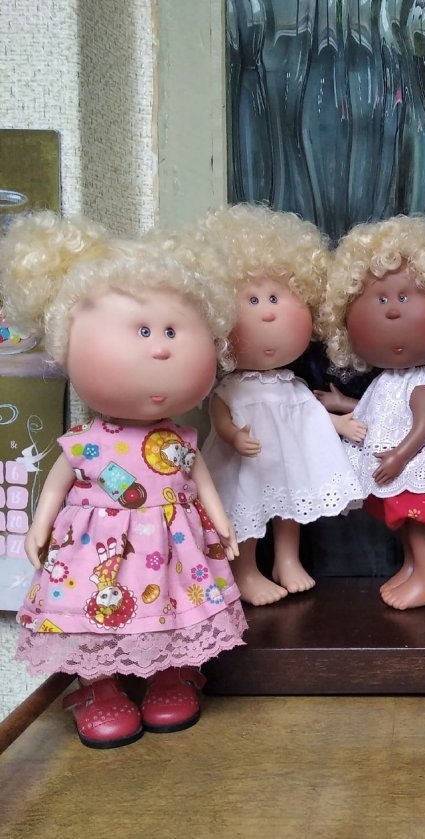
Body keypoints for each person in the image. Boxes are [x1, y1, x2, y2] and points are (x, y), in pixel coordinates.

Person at [0, 212, 247, 748]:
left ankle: (173, 671)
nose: (160, 348)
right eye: (143, 331)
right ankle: (97, 686)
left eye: (172, 331)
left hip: (174, 546)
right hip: (96, 549)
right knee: (90, 609)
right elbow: (57, 483)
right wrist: (39, 526)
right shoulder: (84, 440)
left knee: (176, 603)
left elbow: (200, 479)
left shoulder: (181, 437)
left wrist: (221, 522)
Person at [179, 204, 366, 606]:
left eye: (276, 297)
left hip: (287, 462)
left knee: (289, 510)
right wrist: (232, 436)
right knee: (245, 513)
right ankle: (245, 571)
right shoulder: (231, 388)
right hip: (244, 464)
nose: (266, 312)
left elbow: (308, 414)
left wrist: (339, 425)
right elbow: (220, 417)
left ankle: (287, 560)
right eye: (251, 299)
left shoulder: (290, 384)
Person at [318, 215, 425, 610]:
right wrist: (344, 405)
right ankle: (411, 568)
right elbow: (381, 412)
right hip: (399, 468)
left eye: (404, 298)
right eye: (380, 299)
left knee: (421, 523)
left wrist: (400, 456)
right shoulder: (389, 381)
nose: (391, 311)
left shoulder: (424, 381)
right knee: (404, 520)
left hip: (418, 465)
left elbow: (424, 423)